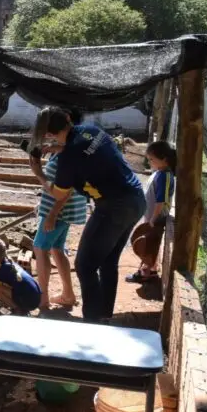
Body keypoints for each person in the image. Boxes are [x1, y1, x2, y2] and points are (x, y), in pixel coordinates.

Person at [35, 107, 145, 322]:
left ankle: (92, 321)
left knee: (85, 265)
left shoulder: (68, 158)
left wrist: (39, 173)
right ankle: (104, 315)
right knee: (108, 260)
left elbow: (59, 193)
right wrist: (58, 146)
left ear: (48, 133)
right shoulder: (92, 131)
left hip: (113, 207)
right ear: (68, 118)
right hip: (136, 199)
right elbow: (84, 150)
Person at [28, 141, 87, 309]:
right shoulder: (64, 150)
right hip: (61, 210)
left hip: (59, 211)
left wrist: (52, 214)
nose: (47, 139)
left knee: (40, 248)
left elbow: (66, 191)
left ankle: (43, 299)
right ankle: (68, 295)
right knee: (56, 248)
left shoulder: (67, 155)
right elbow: (56, 184)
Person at [127, 141, 177, 284]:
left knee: (150, 245)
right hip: (151, 216)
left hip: (157, 218)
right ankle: (150, 269)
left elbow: (161, 200)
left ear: (164, 159)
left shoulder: (165, 176)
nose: (149, 162)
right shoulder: (159, 173)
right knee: (148, 243)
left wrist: (154, 218)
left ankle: (147, 272)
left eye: (152, 159)